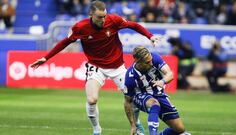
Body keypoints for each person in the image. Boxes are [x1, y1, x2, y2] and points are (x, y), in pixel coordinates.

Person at [30, 1, 160, 135]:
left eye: (104, 16)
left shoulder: (113, 20)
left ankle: (136, 125)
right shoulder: (80, 27)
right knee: (92, 100)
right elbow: (64, 42)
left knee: (132, 97)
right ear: (91, 14)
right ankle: (97, 129)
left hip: (117, 66)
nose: (103, 20)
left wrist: (150, 36)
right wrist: (46, 58)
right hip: (96, 66)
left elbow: (134, 25)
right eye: (100, 17)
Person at [124, 46, 191, 135]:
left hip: (159, 94)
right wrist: (133, 125)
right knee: (154, 104)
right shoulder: (130, 77)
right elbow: (127, 102)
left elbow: (170, 74)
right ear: (138, 62)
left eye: (151, 60)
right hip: (141, 95)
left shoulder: (155, 58)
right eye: (147, 62)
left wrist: (162, 81)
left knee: (179, 129)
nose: (151, 63)